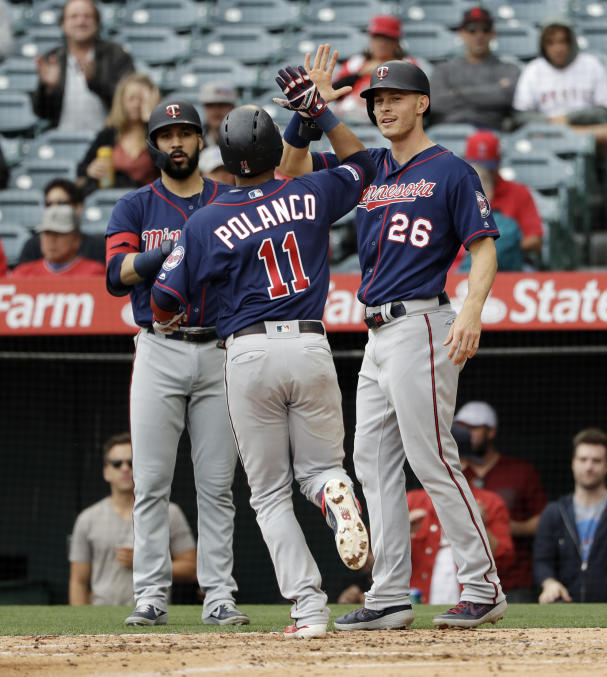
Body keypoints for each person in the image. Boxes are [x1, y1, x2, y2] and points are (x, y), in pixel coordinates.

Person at [152, 46, 376, 639]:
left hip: (245, 353)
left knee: (270, 494)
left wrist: (177, 313)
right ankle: (332, 491)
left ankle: (308, 610)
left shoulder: (204, 220)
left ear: (222, 158)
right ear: (277, 153)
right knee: (322, 468)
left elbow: (161, 303)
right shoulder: (311, 193)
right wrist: (318, 111)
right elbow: (365, 164)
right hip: (309, 344)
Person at [277, 56, 505, 631]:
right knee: (371, 463)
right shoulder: (370, 165)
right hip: (377, 331)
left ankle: (483, 585)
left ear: (421, 102)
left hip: (423, 322)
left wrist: (472, 310)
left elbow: (483, 247)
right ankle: (390, 594)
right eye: (377, 100)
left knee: (431, 459)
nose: (384, 106)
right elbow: (291, 175)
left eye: (396, 97)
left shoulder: (452, 170)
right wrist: (307, 117)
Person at [104, 97, 246, 628]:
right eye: (167, 135)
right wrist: (175, 252)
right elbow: (117, 274)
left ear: (200, 140)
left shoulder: (228, 199)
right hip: (158, 346)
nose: (177, 143)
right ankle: (150, 596)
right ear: (153, 145)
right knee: (151, 482)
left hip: (218, 349)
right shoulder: (135, 206)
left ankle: (219, 596)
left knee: (216, 484)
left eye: (185, 133)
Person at [68, 433, 197, 606]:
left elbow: (191, 568)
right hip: (99, 617)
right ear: (106, 472)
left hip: (153, 616)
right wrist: (80, 626)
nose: (125, 468)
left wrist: (146, 563)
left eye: (131, 462)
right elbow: (78, 581)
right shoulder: (87, 518)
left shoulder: (169, 513)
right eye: (116, 463)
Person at [533, 428, 607, 604]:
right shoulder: (554, 511)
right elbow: (541, 560)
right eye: (583, 459)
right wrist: (549, 583)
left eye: (596, 461)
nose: (589, 467)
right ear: (573, 463)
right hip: (563, 608)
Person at [408, 423, 514, 605]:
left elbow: (505, 562)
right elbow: (371, 562)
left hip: (471, 604)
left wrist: (478, 524)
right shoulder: (411, 501)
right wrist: (401, 533)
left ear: (462, 462)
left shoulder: (490, 502)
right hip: (418, 603)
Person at [454, 401, 547, 603]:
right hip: (465, 581)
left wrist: (501, 525)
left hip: (514, 581)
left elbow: (544, 521)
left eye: (473, 428)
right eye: (462, 428)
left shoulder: (519, 471)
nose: (467, 434)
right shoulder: (454, 473)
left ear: (491, 432)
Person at [512, 20, 607, 151]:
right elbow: (521, 114)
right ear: (543, 46)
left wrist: (569, 119)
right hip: (545, 131)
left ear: (571, 42)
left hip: (581, 129)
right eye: (551, 43)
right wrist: (550, 122)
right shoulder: (533, 69)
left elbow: (605, 110)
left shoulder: (591, 64)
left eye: (562, 41)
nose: (557, 48)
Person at [31, 0, 135, 131]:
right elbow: (41, 112)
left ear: (97, 23)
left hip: (108, 141)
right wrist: (49, 89)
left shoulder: (116, 55)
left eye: (87, 16)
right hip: (65, 140)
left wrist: (95, 81)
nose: (81, 22)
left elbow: (130, 101)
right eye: (74, 16)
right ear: (63, 24)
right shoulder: (53, 58)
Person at [429, 6, 520, 131]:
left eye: (485, 29)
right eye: (472, 30)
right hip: (448, 132)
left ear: (493, 34)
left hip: (489, 133)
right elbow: (436, 103)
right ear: (461, 34)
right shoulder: (443, 69)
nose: (479, 35)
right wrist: (492, 91)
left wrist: (457, 92)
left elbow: (506, 96)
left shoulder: (508, 69)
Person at [77, 72, 161, 197]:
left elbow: (168, 166)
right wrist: (91, 169)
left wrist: (150, 121)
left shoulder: (159, 133)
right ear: (121, 101)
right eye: (131, 98)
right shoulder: (109, 134)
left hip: (150, 202)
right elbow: (82, 169)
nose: (136, 104)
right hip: (114, 201)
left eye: (142, 99)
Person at [462, 130, 543, 259]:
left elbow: (535, 240)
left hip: (506, 266)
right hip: (460, 266)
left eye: (488, 169)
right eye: (476, 168)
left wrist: (505, 246)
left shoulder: (518, 192)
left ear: (499, 163)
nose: (482, 174)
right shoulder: (454, 193)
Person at [331, 15, 420, 123]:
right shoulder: (356, 62)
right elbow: (334, 92)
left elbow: (414, 95)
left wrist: (383, 69)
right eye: (377, 37)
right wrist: (359, 74)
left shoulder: (407, 63)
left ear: (397, 41)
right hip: (350, 119)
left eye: (387, 38)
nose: (382, 43)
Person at [17, 178, 105, 266]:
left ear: (79, 207)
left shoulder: (97, 247)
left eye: (62, 203)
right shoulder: (32, 246)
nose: (54, 209)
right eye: (49, 204)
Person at [10, 204, 105, 278]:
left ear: (77, 239)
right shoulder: (22, 274)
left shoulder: (95, 273)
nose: (51, 240)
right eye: (47, 233)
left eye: (59, 233)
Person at [198, 81, 237, 147]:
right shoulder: (195, 139)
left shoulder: (246, 139)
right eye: (210, 105)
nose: (216, 111)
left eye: (222, 105)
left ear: (233, 107)